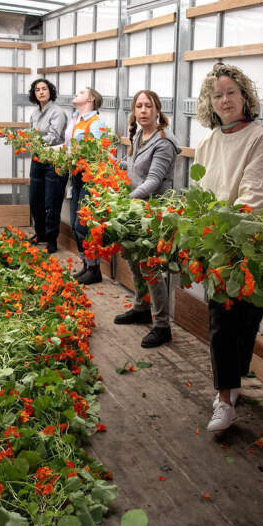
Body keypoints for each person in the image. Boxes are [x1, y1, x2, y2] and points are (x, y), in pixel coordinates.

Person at [196, 62, 263, 432]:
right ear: (210, 103)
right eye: (218, 94)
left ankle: (232, 385)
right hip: (219, 244)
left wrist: (220, 228)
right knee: (220, 320)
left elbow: (254, 197)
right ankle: (225, 398)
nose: (225, 99)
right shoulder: (207, 143)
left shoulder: (261, 138)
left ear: (245, 96)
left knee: (246, 320)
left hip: (255, 242)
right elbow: (199, 196)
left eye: (231, 92)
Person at [113, 90, 180, 348]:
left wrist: (126, 202)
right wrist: (115, 164)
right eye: (138, 106)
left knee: (150, 266)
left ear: (157, 110)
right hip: (136, 208)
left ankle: (162, 325)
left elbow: (153, 181)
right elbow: (133, 165)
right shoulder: (140, 133)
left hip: (153, 211)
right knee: (133, 257)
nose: (143, 110)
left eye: (148, 106)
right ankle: (141, 307)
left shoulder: (164, 142)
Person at [63, 86, 110, 285]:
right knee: (75, 222)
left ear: (91, 99)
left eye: (81, 93)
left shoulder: (96, 122)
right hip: (76, 177)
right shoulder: (76, 120)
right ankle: (87, 265)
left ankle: (94, 268)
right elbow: (70, 148)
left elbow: (101, 152)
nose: (76, 93)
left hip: (89, 177)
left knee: (83, 224)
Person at [27, 78, 68, 253]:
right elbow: (30, 133)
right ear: (34, 94)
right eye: (37, 90)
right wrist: (30, 141)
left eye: (44, 89)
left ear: (50, 91)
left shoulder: (57, 112)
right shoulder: (35, 114)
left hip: (54, 160)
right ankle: (40, 233)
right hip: (37, 160)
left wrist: (33, 142)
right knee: (35, 200)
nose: (41, 92)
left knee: (52, 202)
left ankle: (52, 239)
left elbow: (53, 136)